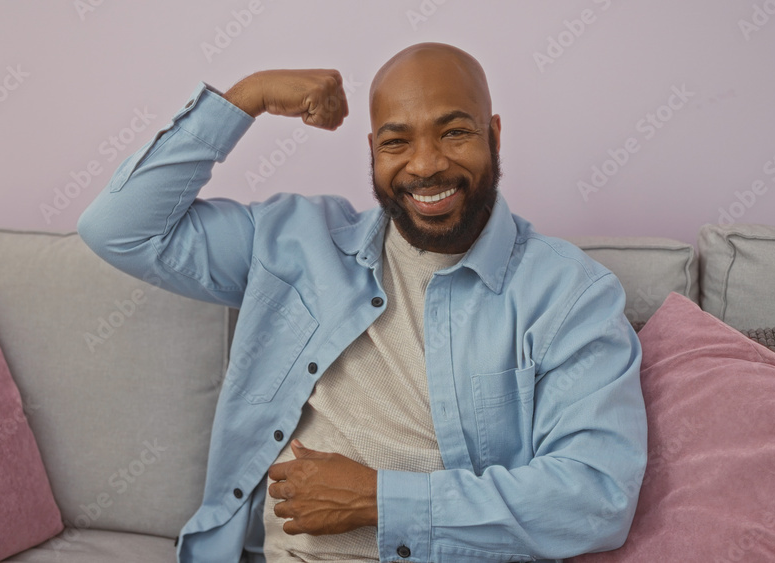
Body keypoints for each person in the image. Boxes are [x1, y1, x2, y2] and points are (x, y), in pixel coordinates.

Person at [78, 42, 647, 563]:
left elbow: (596, 497)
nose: (425, 165)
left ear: (494, 136)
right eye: (397, 141)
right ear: (373, 151)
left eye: (454, 133)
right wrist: (246, 97)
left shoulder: (569, 295)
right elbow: (119, 229)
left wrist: (380, 499)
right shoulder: (295, 243)